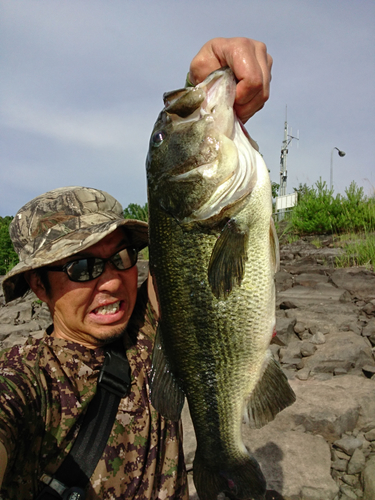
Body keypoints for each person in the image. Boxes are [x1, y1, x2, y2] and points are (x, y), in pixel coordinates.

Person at [0, 37, 272, 500]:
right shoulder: (27, 380)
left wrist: (201, 81)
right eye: (82, 266)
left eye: (122, 256)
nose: (110, 281)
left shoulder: (146, 330)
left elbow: (197, 281)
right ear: (39, 286)